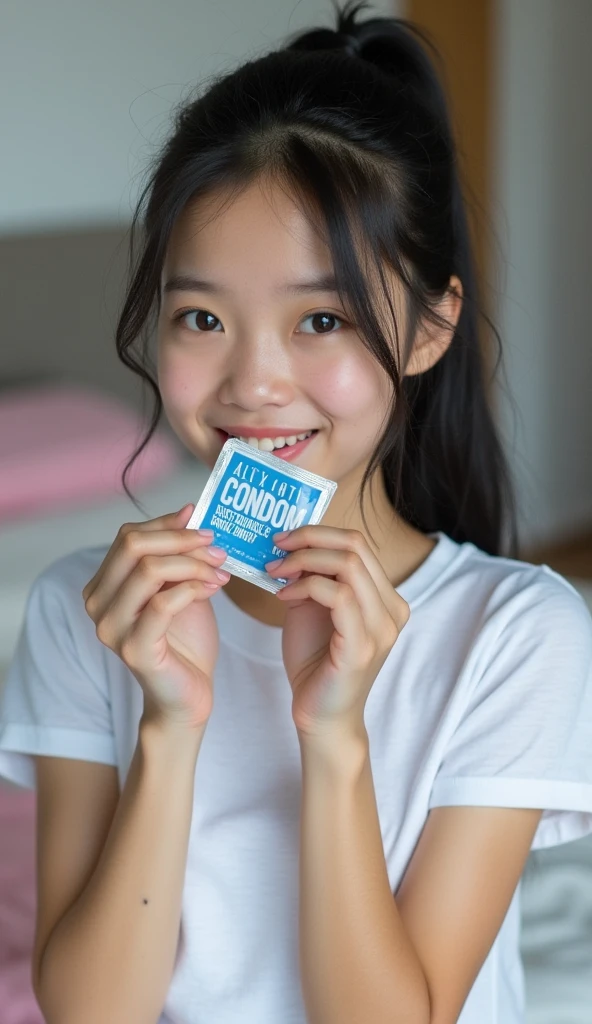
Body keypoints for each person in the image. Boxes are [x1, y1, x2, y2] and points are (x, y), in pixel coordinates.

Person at [1, 2, 591, 1022]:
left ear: (428, 328)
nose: (255, 381)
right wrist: (171, 724)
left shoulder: (517, 634)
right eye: (201, 318)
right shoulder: (79, 610)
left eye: (320, 318)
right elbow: (90, 1011)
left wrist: (334, 738)